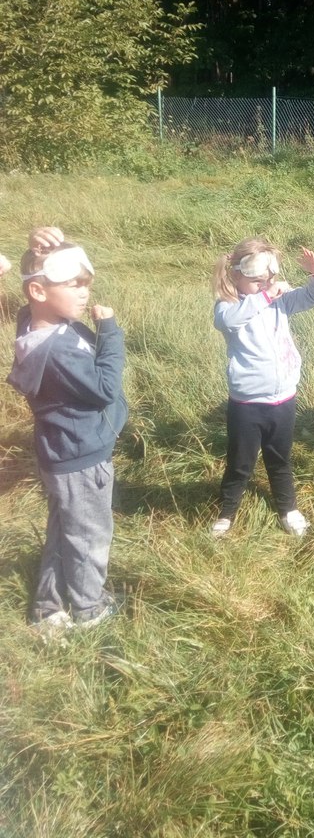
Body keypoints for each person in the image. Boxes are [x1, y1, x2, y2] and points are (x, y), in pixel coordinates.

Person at [7, 233, 127, 633]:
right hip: (82, 458)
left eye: (86, 283)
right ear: (39, 291)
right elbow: (105, 388)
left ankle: (48, 610)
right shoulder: (58, 351)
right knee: (90, 536)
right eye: (74, 284)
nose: (84, 292)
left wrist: (41, 247)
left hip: (61, 452)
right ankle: (90, 609)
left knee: (65, 531)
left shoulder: (36, 325)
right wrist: (109, 331)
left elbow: (28, 299)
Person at [212, 237, 314, 536]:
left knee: (280, 459)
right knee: (240, 463)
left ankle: (288, 509)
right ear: (235, 276)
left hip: (283, 398)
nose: (265, 286)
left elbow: (313, 297)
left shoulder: (281, 302)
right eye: (257, 281)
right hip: (247, 403)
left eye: (269, 280)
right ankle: (227, 512)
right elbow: (229, 322)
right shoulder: (229, 306)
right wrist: (265, 296)